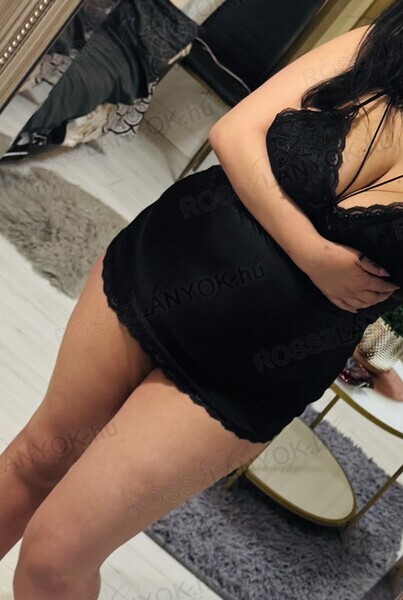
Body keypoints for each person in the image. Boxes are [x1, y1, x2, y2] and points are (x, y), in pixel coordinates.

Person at [1, 2, 403, 598]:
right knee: (34, 460)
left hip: (251, 375)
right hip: (158, 271)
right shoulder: (378, 47)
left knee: (56, 556)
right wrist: (313, 254)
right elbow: (234, 131)